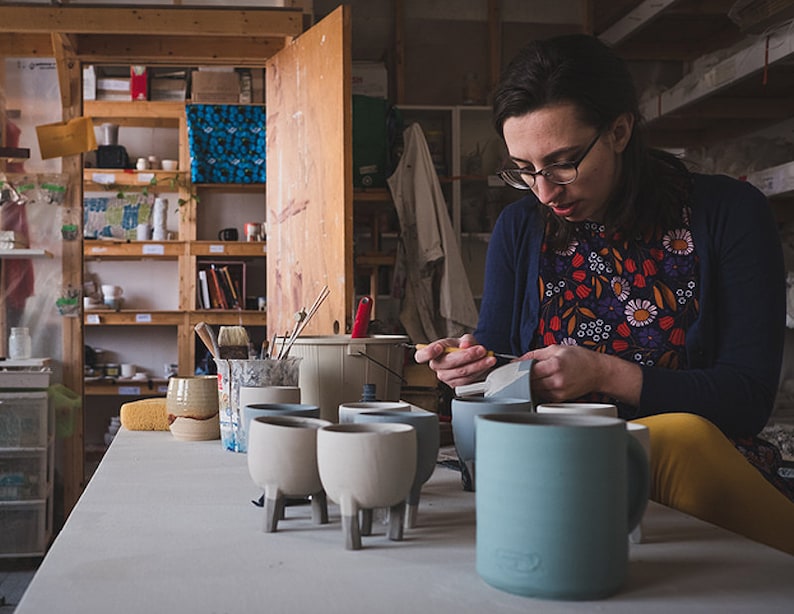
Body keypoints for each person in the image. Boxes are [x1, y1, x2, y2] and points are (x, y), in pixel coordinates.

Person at [414, 34, 794, 554]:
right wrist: (472, 369)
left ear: (619, 130)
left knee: (683, 442)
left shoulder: (729, 215)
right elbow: (501, 365)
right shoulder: (521, 227)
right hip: (561, 479)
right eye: (525, 170)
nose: (545, 192)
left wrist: (604, 373)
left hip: (695, 480)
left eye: (562, 162)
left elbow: (746, 402)